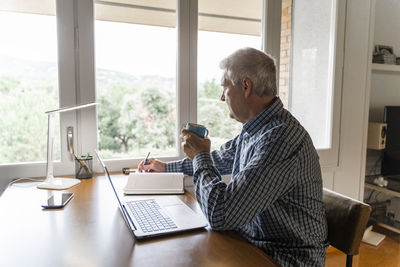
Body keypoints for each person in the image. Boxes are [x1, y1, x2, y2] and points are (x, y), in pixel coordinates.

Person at [138, 47, 328, 266]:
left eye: (224, 87)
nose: (221, 97)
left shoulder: (280, 139)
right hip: (254, 243)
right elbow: (219, 159)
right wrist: (165, 168)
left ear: (246, 86)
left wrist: (200, 155)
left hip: (284, 258)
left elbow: (221, 214)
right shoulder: (258, 129)